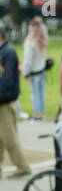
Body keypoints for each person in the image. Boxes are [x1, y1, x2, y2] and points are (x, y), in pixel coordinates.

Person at [0, 22, 31, 177]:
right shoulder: (3, 51)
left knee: (9, 137)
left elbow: (7, 80)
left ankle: (23, 166)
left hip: (4, 102)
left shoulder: (8, 52)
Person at [21, 16, 49, 122]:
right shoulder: (42, 40)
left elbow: (28, 61)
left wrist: (25, 73)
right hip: (42, 70)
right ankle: (41, 113)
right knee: (41, 93)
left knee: (35, 94)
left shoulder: (30, 43)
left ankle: (37, 115)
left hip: (34, 71)